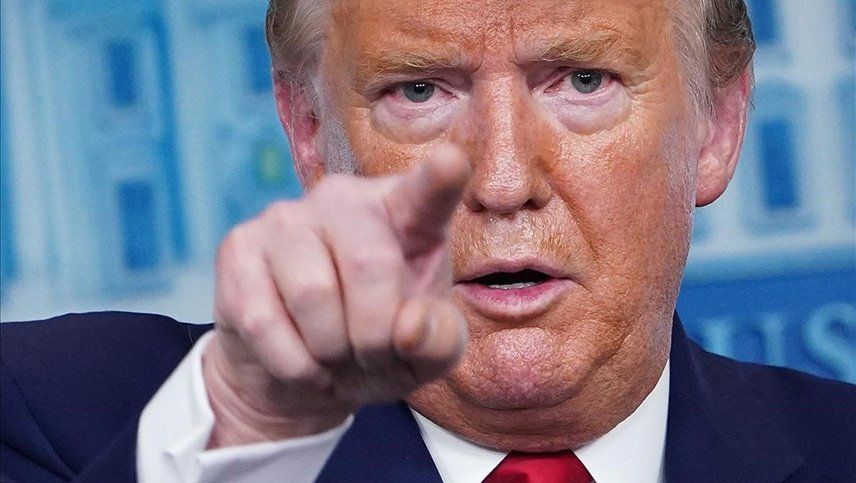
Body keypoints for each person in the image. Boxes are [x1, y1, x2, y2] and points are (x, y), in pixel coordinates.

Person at [2, 0, 854, 482]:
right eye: (419, 92)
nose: (503, 179)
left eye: (583, 80)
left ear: (716, 126)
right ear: (310, 134)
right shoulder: (50, 415)